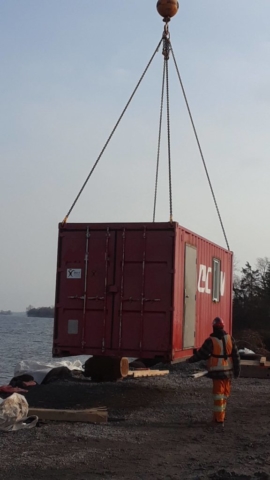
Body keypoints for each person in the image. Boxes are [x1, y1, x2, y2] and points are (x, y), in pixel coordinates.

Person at [186, 317, 240, 427]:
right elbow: (236, 356)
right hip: (228, 372)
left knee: (218, 396)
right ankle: (220, 417)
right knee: (224, 395)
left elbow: (202, 354)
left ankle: (219, 420)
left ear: (213, 327)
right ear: (223, 326)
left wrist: (189, 360)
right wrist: (237, 371)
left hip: (217, 372)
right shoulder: (230, 338)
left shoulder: (211, 340)